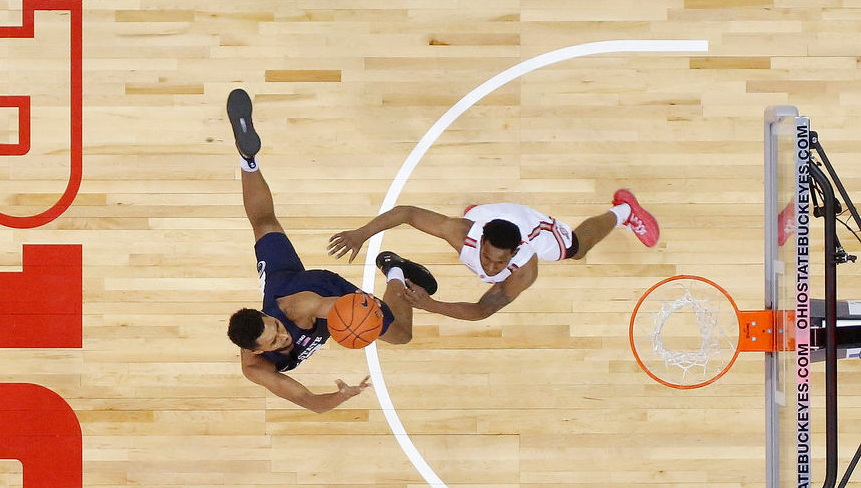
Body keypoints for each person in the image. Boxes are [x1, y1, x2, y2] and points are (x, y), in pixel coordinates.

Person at [225, 89, 439, 413]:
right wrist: (340, 396)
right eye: (274, 340)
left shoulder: (299, 307)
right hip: (283, 281)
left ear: (269, 316)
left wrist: (360, 325)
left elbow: (350, 311)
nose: (282, 337)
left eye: (277, 328)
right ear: (254, 351)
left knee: (401, 335)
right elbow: (310, 402)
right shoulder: (255, 368)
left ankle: (395, 268)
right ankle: (248, 159)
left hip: (324, 293)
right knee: (264, 224)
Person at [327, 193, 660, 321]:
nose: (491, 266)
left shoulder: (524, 270)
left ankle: (624, 211)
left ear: (515, 253)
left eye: (501, 262)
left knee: (575, 249)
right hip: (488, 216)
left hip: (532, 227)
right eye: (487, 257)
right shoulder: (461, 232)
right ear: (479, 239)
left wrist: (432, 305)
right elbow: (407, 212)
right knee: (467, 217)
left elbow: (484, 309)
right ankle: (481, 211)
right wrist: (360, 234)